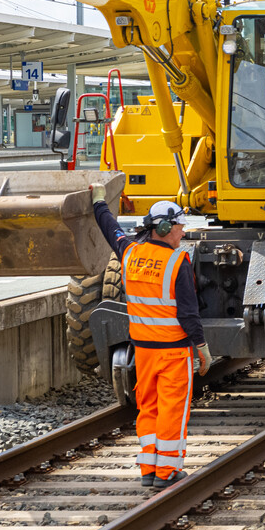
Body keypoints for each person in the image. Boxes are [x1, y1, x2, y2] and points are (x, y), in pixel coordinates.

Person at [90, 191, 209, 489]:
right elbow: (188, 313)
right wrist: (203, 349)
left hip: (143, 351)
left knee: (148, 406)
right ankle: (167, 471)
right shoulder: (177, 262)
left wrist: (98, 203)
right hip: (173, 352)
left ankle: (148, 468)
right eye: (179, 226)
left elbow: (110, 229)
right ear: (165, 229)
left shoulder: (129, 253)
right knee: (172, 408)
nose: (183, 231)